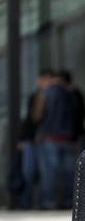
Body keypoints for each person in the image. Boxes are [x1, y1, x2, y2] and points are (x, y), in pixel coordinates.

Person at [33, 71, 78, 210]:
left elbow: (38, 116)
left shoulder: (45, 93)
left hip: (50, 137)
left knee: (49, 172)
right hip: (68, 138)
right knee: (69, 172)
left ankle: (50, 201)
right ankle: (69, 201)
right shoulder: (71, 93)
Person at [16, 70, 55, 209]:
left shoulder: (52, 97)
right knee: (29, 173)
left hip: (45, 140)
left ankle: (41, 202)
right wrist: (22, 138)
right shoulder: (37, 96)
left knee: (42, 174)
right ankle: (27, 203)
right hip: (33, 140)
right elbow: (31, 119)